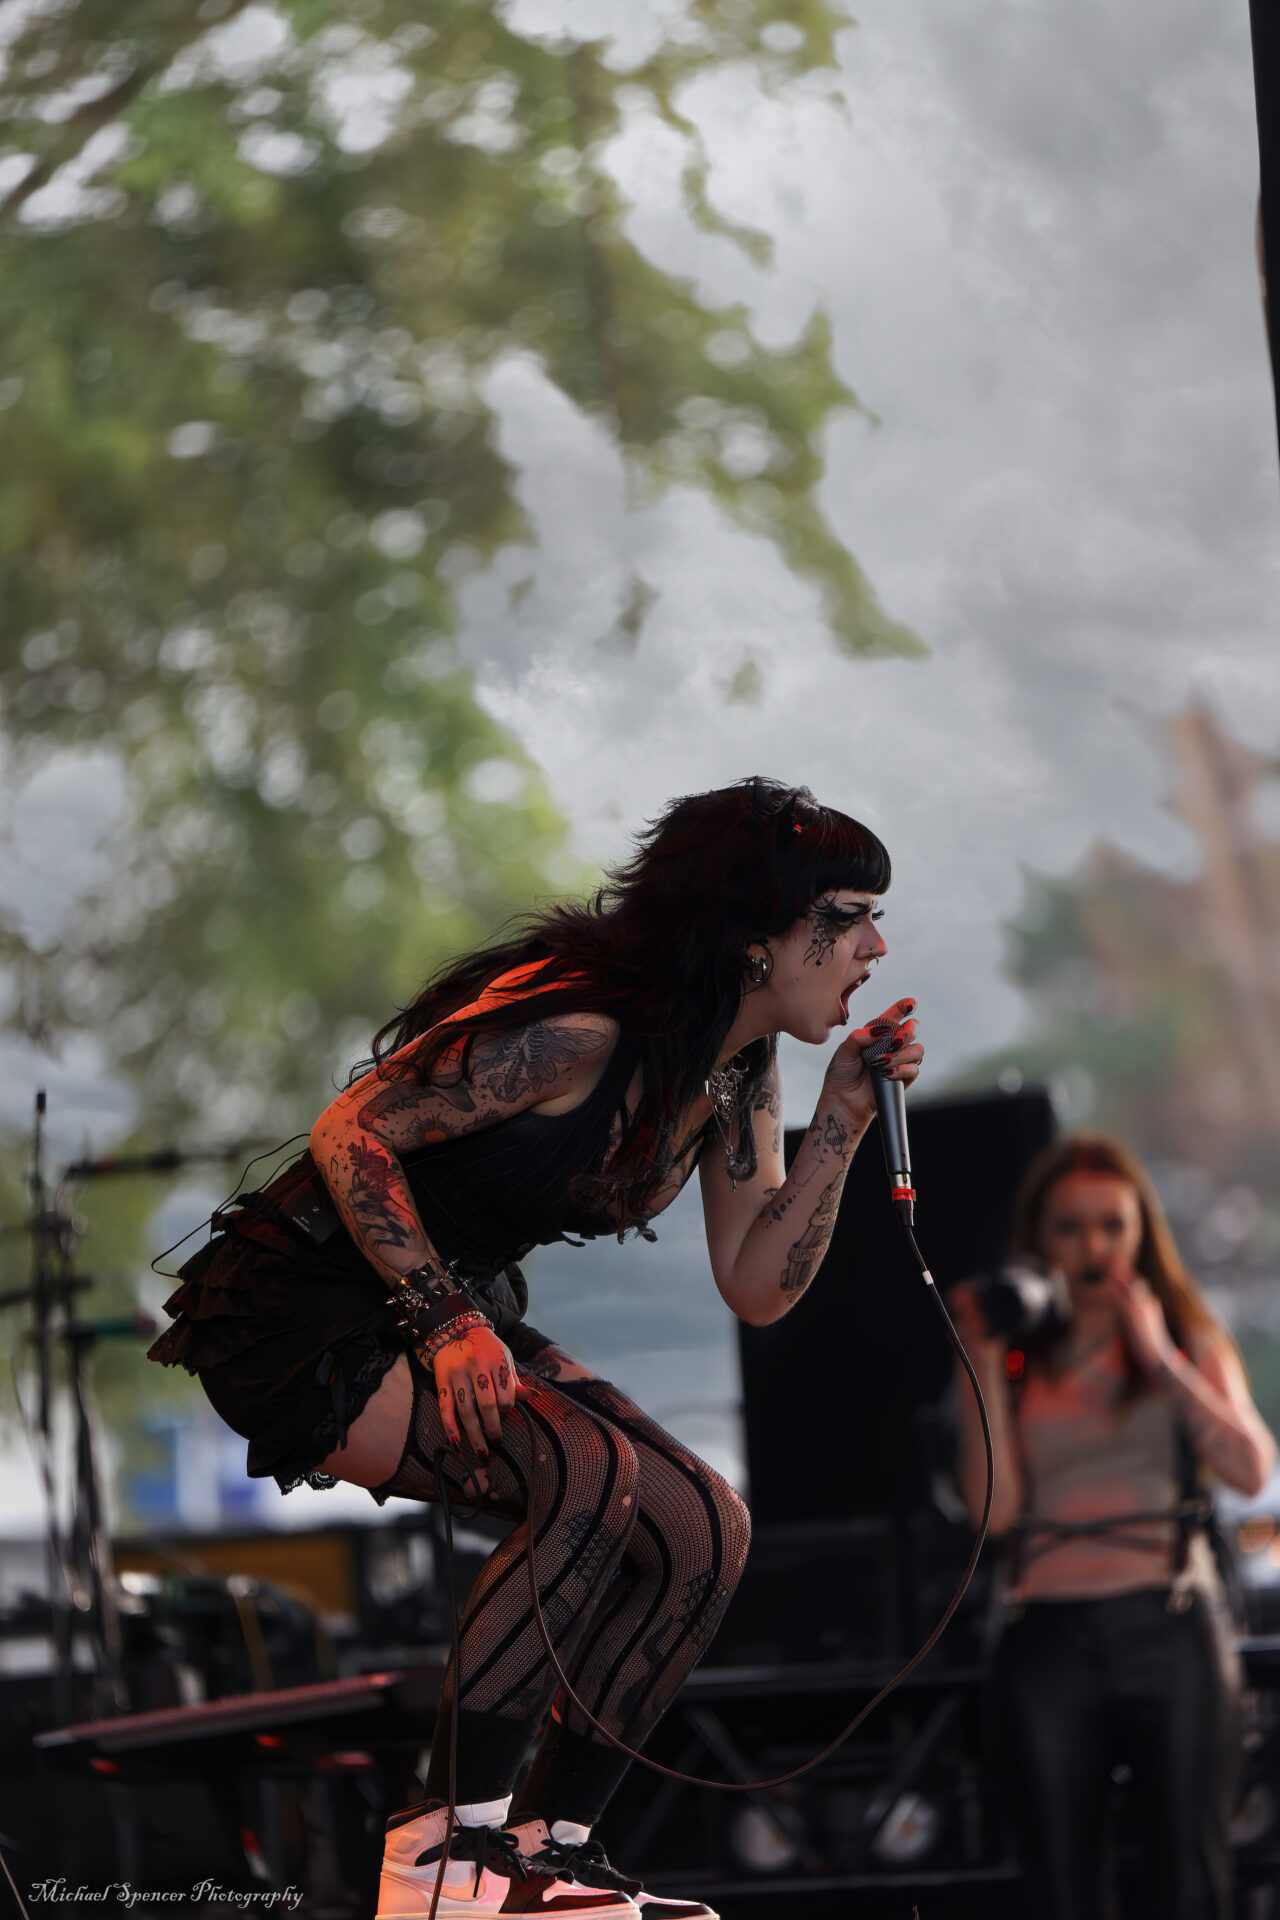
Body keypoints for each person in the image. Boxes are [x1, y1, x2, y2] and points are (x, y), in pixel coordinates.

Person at [147, 777, 923, 1920]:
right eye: (846, 917)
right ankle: (444, 1852)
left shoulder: (734, 1070)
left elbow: (756, 1284)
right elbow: (352, 1130)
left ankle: (545, 1850)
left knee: (704, 1525)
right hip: (307, 1303)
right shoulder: (582, 1025)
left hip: (447, 1305)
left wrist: (843, 1118)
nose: (873, 946)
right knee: (586, 1469)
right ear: (755, 935)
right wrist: (445, 1320)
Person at [951, 1134, 1276, 1920]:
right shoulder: (1016, 1357)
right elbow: (994, 1512)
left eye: (1111, 1226)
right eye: (1070, 1228)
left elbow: (1250, 1469)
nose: (1093, 1248)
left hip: (1168, 1624)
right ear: (1040, 1239)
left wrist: (1159, 1356)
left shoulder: (1186, 1337)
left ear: (1140, 1233)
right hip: (1049, 1632)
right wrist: (982, 1360)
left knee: (1190, 1882)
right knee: (1059, 1888)